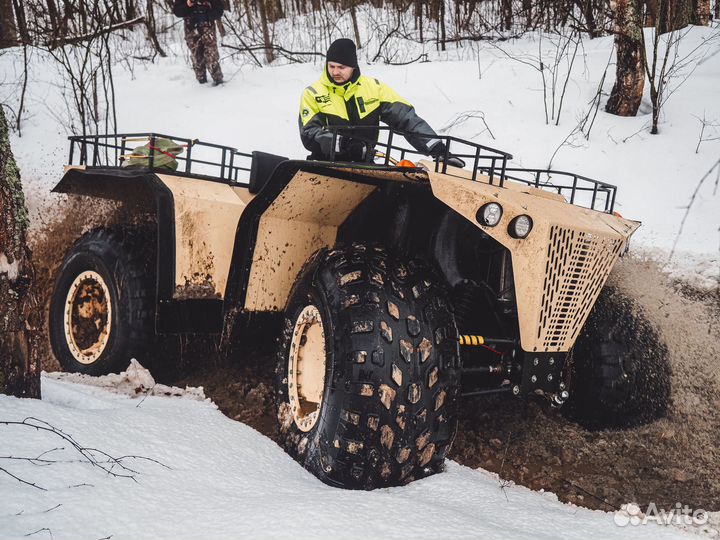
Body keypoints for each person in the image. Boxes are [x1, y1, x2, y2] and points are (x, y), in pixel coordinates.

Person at [298, 38, 464, 166]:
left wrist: (436, 148)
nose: (335, 72)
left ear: (353, 67)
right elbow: (309, 134)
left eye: (341, 67)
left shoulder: (374, 88)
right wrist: (344, 144)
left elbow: (406, 119)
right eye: (331, 66)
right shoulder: (313, 93)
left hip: (366, 166)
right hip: (326, 166)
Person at [173, 0, 224, 85]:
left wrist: (208, 14)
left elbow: (219, 9)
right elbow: (177, 11)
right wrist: (187, 4)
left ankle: (218, 80)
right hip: (191, 27)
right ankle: (202, 82)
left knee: (211, 54)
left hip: (207, 27)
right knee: (196, 57)